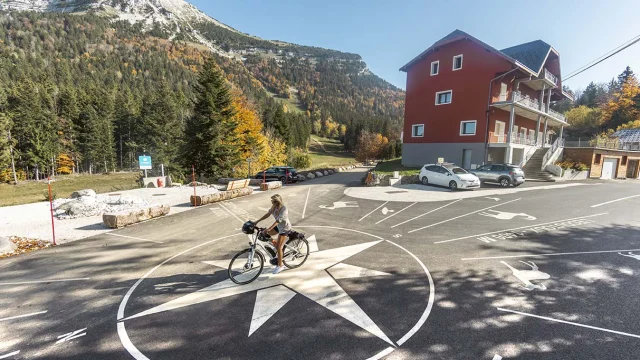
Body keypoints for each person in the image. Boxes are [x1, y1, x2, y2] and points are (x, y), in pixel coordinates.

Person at [254, 194, 291, 274]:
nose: (272, 203)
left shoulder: (284, 209)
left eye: (273, 201)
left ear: (277, 202)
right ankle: (276, 245)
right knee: (264, 235)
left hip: (284, 228)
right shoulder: (274, 207)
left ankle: (280, 266)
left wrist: (269, 228)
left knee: (279, 247)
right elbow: (267, 214)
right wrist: (257, 221)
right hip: (278, 227)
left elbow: (278, 221)